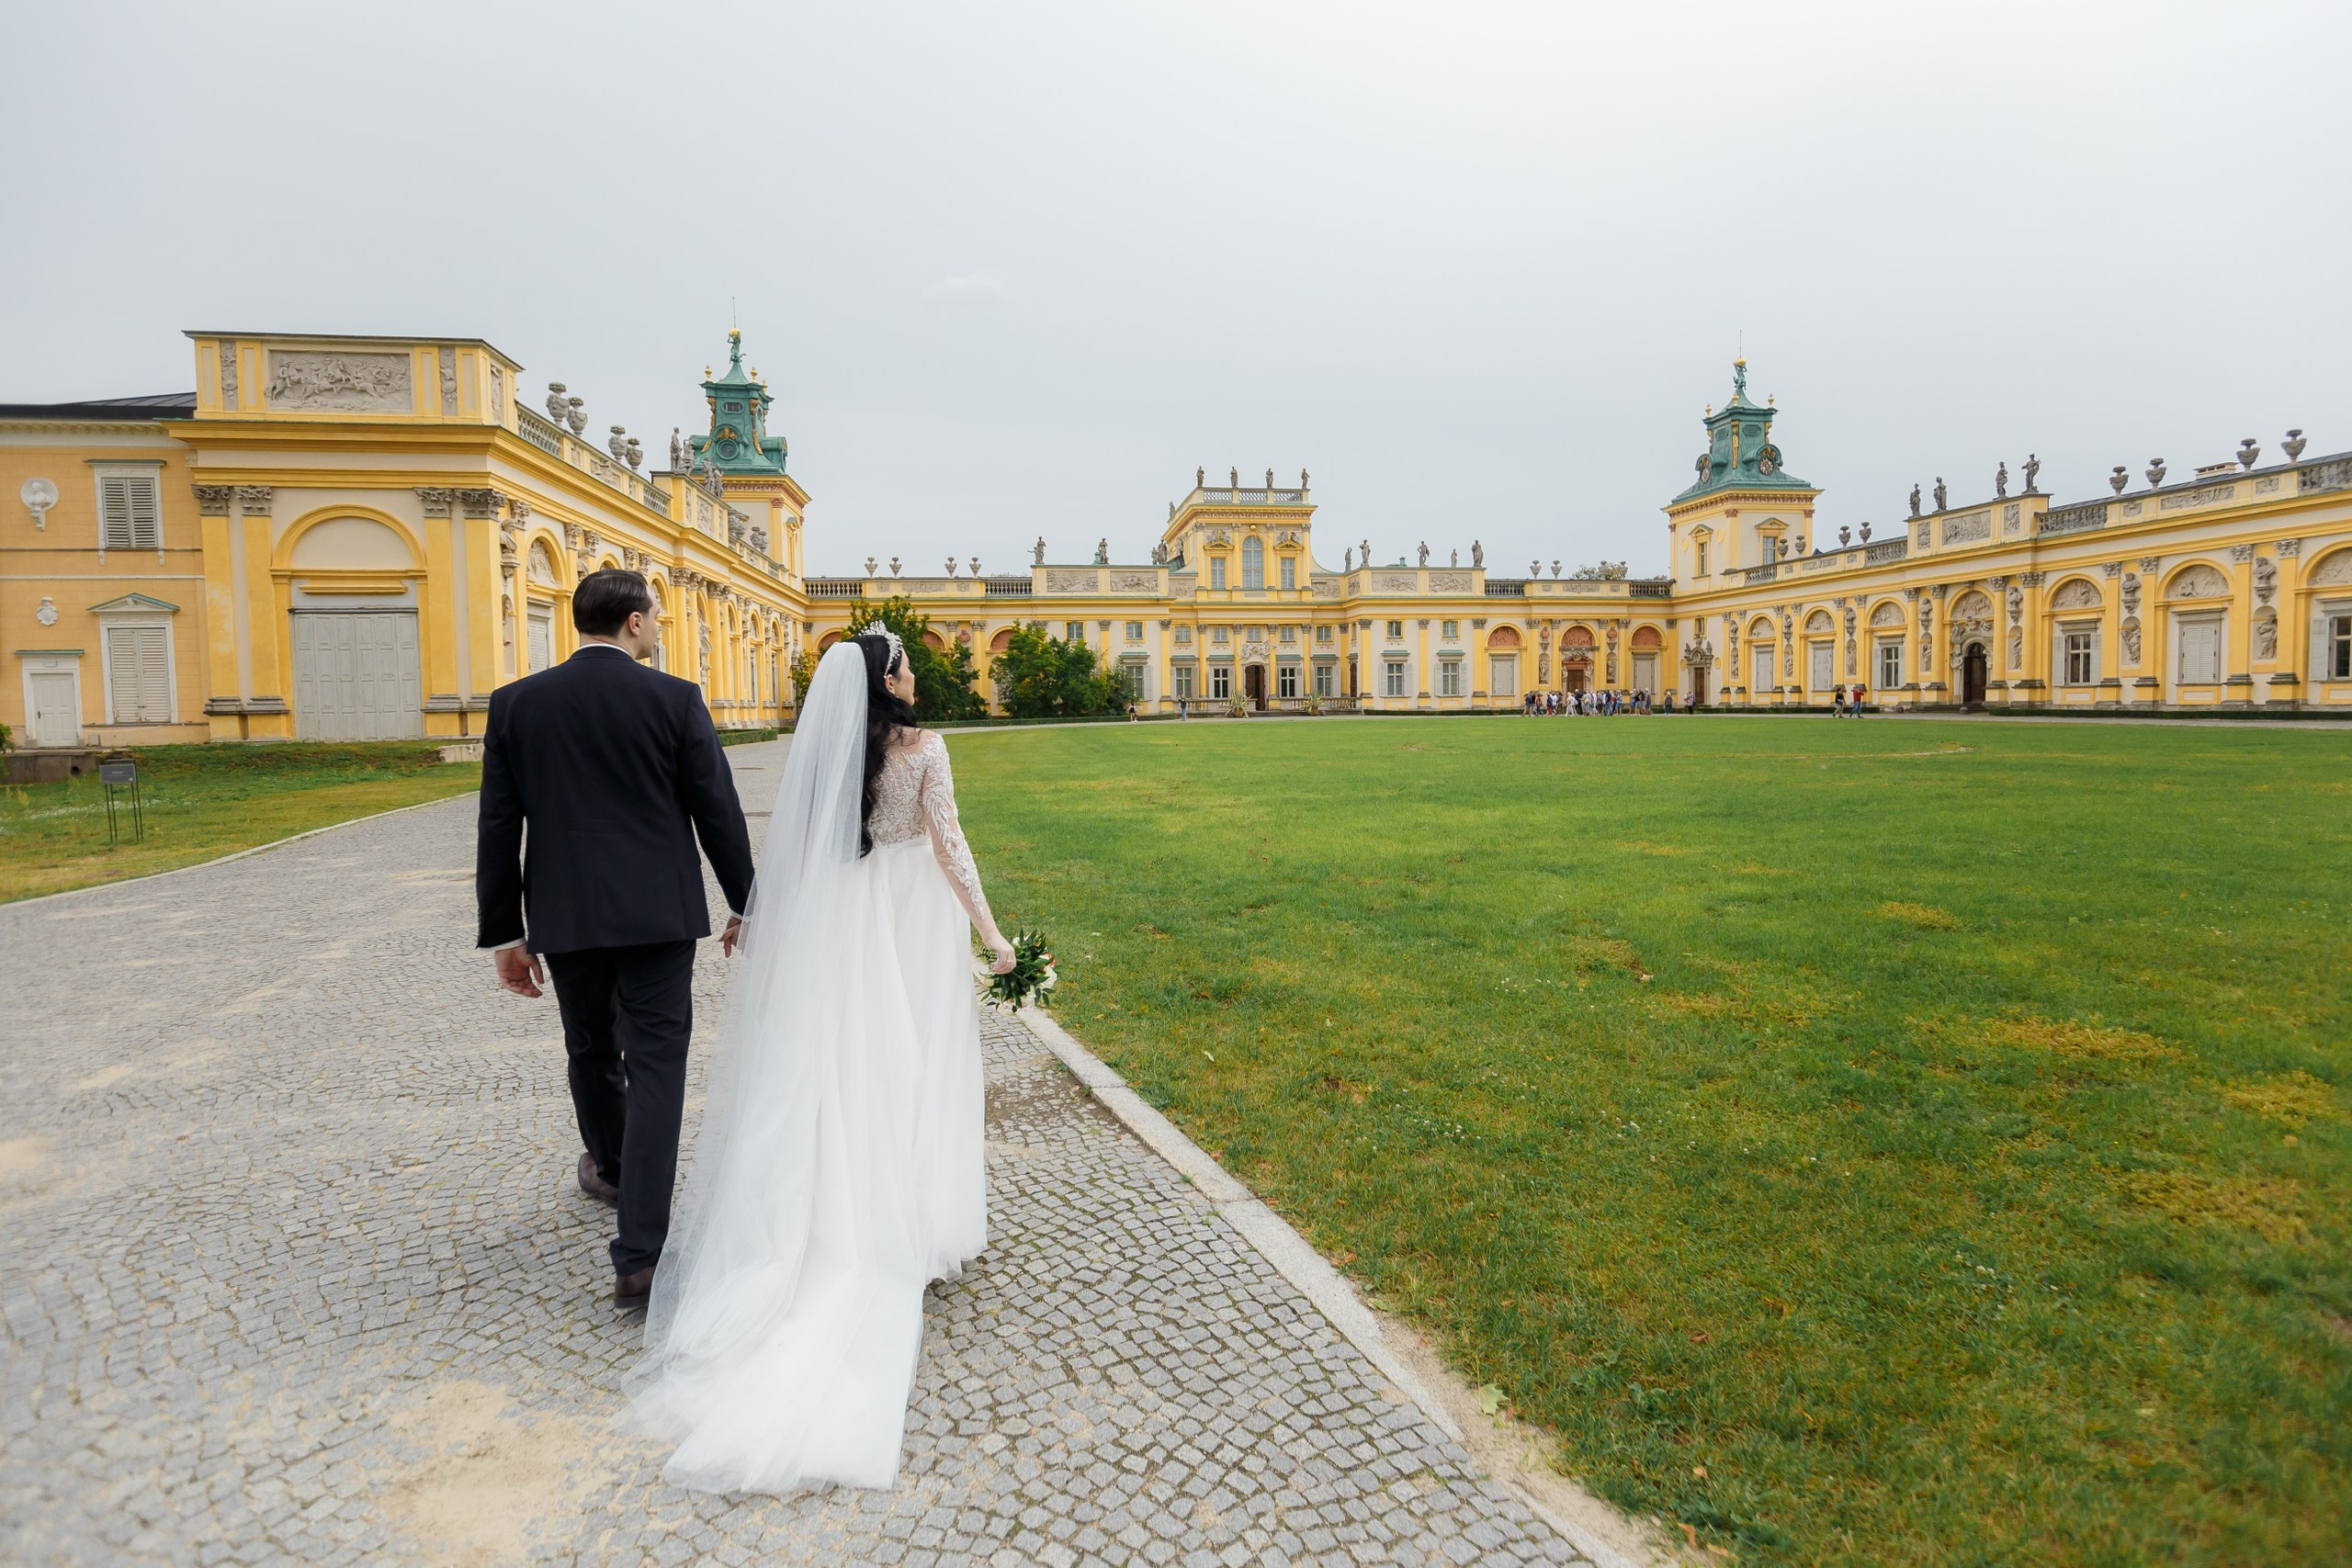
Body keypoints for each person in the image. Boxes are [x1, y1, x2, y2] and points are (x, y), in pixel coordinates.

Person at [624, 632, 1018, 1495]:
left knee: (845, 1066)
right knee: (916, 1063)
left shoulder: (844, 748)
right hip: (912, 915)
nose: (915, 671)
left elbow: (804, 845)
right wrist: (993, 936)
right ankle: (913, 1216)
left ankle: (837, 1207)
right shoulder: (924, 747)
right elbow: (949, 845)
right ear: (889, 680)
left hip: (846, 912)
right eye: (906, 661)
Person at [477, 569, 756, 1312]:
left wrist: (506, 932)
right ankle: (639, 1256)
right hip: (658, 914)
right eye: (656, 614)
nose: (661, 623)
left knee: (590, 1050)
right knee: (657, 1064)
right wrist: (747, 902)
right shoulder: (673, 699)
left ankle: (612, 1167)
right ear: (633, 622)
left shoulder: (515, 705)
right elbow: (717, 811)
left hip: (566, 917)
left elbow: (500, 828)